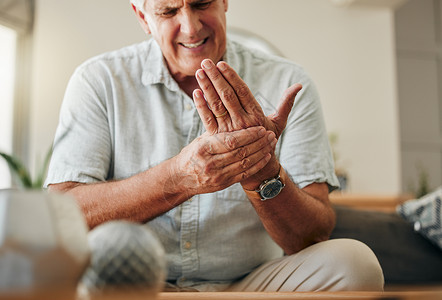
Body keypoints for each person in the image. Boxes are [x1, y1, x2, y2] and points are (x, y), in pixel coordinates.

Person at [45, 0, 384, 292]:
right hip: (134, 285)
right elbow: (62, 216)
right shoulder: (99, 80)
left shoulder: (286, 82)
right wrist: (179, 178)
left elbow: (310, 238)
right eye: (168, 10)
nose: (190, 27)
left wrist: (262, 171)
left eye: (202, 3)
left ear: (225, 1)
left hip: (251, 284)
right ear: (142, 16)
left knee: (356, 265)